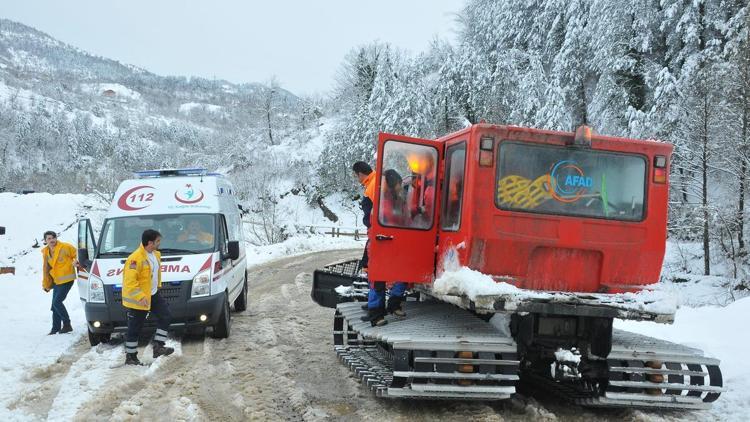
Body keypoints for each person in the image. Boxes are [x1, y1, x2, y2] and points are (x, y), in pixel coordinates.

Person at [361, 169, 408, 325]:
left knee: (403, 273)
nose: (401, 187)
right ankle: (376, 314)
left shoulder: (398, 200)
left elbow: (404, 218)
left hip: (396, 243)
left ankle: (394, 304)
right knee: (378, 277)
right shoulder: (382, 201)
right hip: (380, 242)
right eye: (399, 184)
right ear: (394, 184)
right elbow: (378, 221)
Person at [122, 229, 174, 365]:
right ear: (150, 242)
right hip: (139, 299)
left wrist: (157, 286)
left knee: (166, 316)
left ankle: (158, 346)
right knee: (135, 328)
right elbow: (130, 283)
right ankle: (131, 357)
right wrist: (140, 296)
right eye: (157, 241)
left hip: (153, 294)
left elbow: (153, 274)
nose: (159, 244)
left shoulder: (156, 254)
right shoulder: (135, 258)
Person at [40, 231, 78, 335]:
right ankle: (55, 328)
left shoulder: (65, 247)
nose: (51, 240)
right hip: (56, 281)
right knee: (54, 305)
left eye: (53, 238)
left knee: (57, 302)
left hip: (67, 279)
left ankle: (67, 325)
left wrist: (76, 261)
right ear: (45, 240)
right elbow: (46, 269)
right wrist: (46, 284)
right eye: (49, 238)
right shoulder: (46, 252)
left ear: (56, 238)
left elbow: (77, 254)